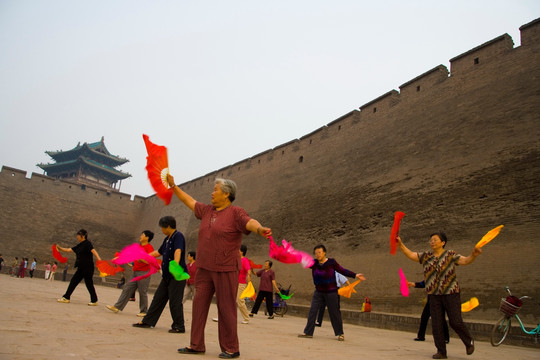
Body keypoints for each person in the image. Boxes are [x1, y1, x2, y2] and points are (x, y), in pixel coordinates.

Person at [167, 174, 271, 359]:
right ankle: (196, 345)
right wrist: (173, 186)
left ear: (226, 194)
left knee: (226, 307)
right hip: (204, 268)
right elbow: (189, 201)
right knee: (199, 306)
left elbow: (249, 222)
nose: (212, 193)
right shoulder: (206, 211)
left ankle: (231, 347)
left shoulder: (235, 212)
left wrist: (260, 229)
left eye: (215, 190)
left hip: (226, 267)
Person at [397, 232, 481, 359]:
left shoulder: (450, 255)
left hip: (451, 293)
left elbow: (465, 260)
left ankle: (469, 342)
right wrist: (401, 245)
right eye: (431, 240)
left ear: (443, 243)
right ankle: (441, 351)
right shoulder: (426, 256)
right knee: (437, 324)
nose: (432, 242)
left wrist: (473, 256)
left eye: (435, 240)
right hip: (433, 294)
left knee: (455, 321)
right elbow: (411, 254)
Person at [298, 244, 365, 341]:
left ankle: (340, 333)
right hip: (319, 292)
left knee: (334, 312)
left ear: (324, 252)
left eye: (319, 252)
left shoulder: (331, 262)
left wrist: (355, 275)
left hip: (331, 292)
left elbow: (342, 270)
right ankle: (308, 332)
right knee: (312, 311)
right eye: (316, 253)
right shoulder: (314, 263)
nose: (318, 255)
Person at [132, 217, 187, 333]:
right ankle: (148, 321)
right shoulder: (167, 239)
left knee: (175, 301)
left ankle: (179, 326)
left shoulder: (178, 236)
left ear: (167, 226)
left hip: (177, 275)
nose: (161, 229)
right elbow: (159, 252)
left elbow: (178, 251)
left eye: (162, 227)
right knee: (158, 298)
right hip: (167, 276)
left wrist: (175, 266)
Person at [107, 230, 155, 317]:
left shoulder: (149, 248)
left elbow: (150, 261)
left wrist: (141, 258)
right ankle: (117, 307)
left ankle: (144, 311)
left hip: (144, 273)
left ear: (147, 237)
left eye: (142, 235)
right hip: (135, 272)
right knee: (127, 288)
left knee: (142, 292)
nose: (140, 236)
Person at [56, 229, 102, 305]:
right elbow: (68, 250)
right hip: (81, 268)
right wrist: (59, 248)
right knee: (73, 282)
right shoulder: (79, 245)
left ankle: (94, 300)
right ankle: (66, 297)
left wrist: (99, 259)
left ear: (83, 236)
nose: (77, 237)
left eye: (78, 235)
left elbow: (93, 250)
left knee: (89, 284)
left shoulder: (87, 243)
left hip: (88, 267)